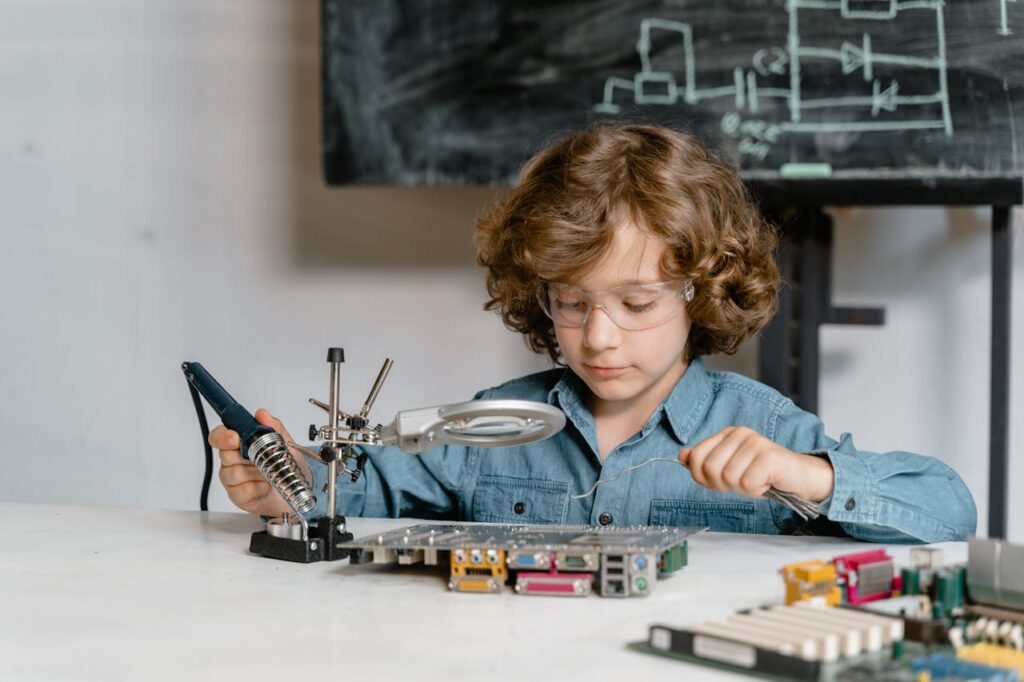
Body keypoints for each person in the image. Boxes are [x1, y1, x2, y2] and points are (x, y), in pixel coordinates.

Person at [211, 124, 976, 543]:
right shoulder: (492, 422)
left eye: (636, 304)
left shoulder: (763, 429)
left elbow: (948, 511)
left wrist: (811, 477)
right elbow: (364, 493)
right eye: (570, 303)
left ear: (700, 290)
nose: (599, 338)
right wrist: (289, 484)